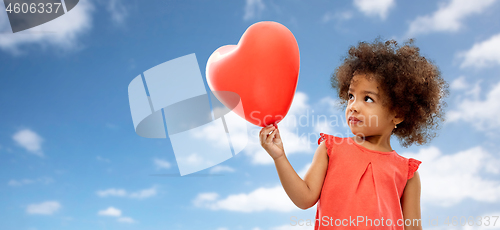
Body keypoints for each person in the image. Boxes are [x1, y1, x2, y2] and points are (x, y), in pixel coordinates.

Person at [259, 39, 449, 230]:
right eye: (351, 96)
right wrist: (279, 157)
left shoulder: (407, 174)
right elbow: (305, 198)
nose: (353, 107)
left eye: (368, 99)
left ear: (397, 114)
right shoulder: (330, 149)